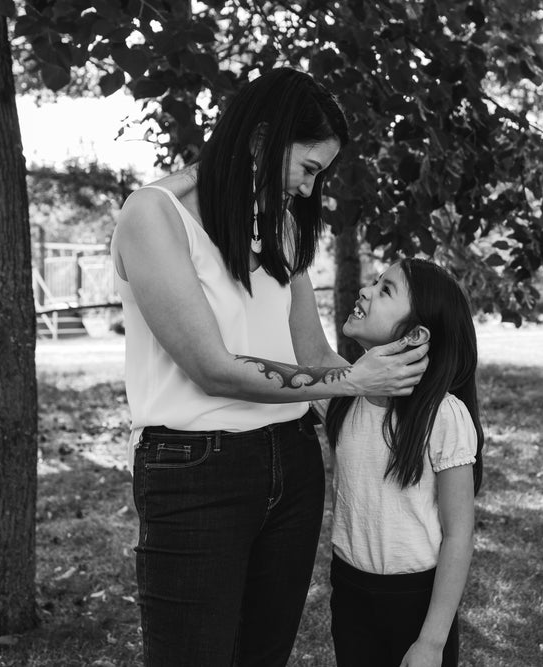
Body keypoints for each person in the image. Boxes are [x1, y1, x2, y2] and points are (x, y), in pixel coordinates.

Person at [109, 67, 430, 667]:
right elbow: (212, 368)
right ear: (260, 140)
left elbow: (314, 357)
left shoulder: (277, 223)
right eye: (309, 169)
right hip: (195, 469)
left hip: (292, 461)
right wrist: (354, 380)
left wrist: (413, 399)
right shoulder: (153, 215)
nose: (309, 191)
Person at [315, 258, 483, 667]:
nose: (366, 291)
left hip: (417, 600)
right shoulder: (343, 394)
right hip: (350, 588)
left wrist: (431, 641)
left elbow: (458, 534)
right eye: (373, 281)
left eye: (385, 289)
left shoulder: (443, 416)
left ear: (417, 334)